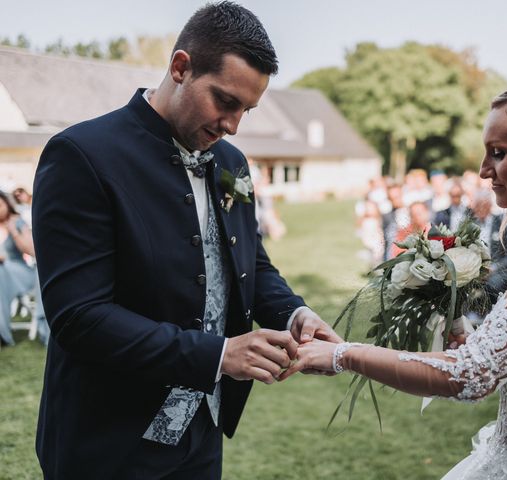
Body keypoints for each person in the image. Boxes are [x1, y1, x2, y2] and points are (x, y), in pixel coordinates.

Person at [32, 3, 340, 479]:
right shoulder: (83, 155)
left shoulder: (231, 162)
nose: (233, 125)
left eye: (247, 110)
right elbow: (79, 317)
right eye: (225, 101)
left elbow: (248, 262)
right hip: (107, 436)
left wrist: (295, 314)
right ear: (180, 67)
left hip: (201, 432)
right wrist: (218, 355)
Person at [284, 72, 507, 478]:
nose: (485, 170)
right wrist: (491, 344)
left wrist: (341, 354)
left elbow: (471, 377)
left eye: (499, 153)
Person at [470, 189, 507, 304]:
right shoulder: (470, 225)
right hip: (474, 270)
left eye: (483, 205)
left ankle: (487, 313)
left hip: (497, 270)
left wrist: (493, 268)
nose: (480, 209)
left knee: (493, 284)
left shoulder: (503, 223)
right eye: (477, 205)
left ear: (490, 205)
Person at [0, 191, 36, 346]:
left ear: (7, 204)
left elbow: (31, 250)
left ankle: (2, 335)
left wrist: (13, 231)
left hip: (22, 273)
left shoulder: (17, 221)